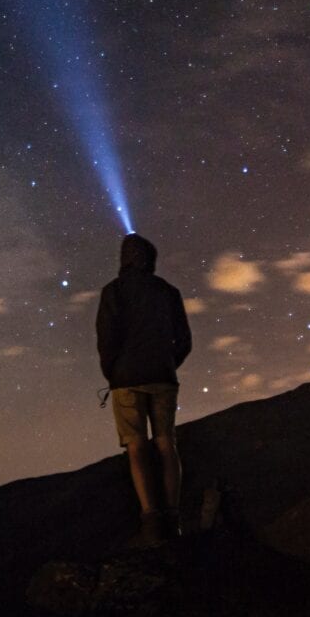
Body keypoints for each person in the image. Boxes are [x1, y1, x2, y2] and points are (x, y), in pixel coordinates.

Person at [96, 232, 192, 545]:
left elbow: (106, 339)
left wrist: (113, 371)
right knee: (166, 443)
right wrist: (166, 364)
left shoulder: (113, 291)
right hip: (163, 377)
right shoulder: (168, 292)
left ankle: (151, 519)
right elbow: (185, 341)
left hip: (126, 380)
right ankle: (173, 516)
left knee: (136, 446)